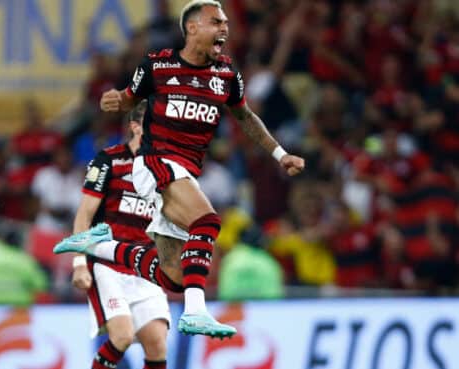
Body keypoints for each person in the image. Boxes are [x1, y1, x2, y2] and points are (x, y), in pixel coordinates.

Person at [55, 0, 305, 337]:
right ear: (192, 28)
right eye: (216, 23)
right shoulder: (158, 66)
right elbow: (130, 98)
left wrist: (280, 153)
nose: (225, 29)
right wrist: (115, 99)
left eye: (226, 23)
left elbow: (245, 117)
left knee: (171, 275)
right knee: (208, 221)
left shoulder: (227, 74)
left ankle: (98, 245)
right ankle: (195, 312)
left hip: (186, 172)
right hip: (154, 162)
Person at [69, 101, 172, 369]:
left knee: (157, 345)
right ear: (136, 126)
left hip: (144, 266)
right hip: (107, 263)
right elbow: (84, 214)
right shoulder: (108, 161)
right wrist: (78, 263)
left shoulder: (164, 169)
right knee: (123, 336)